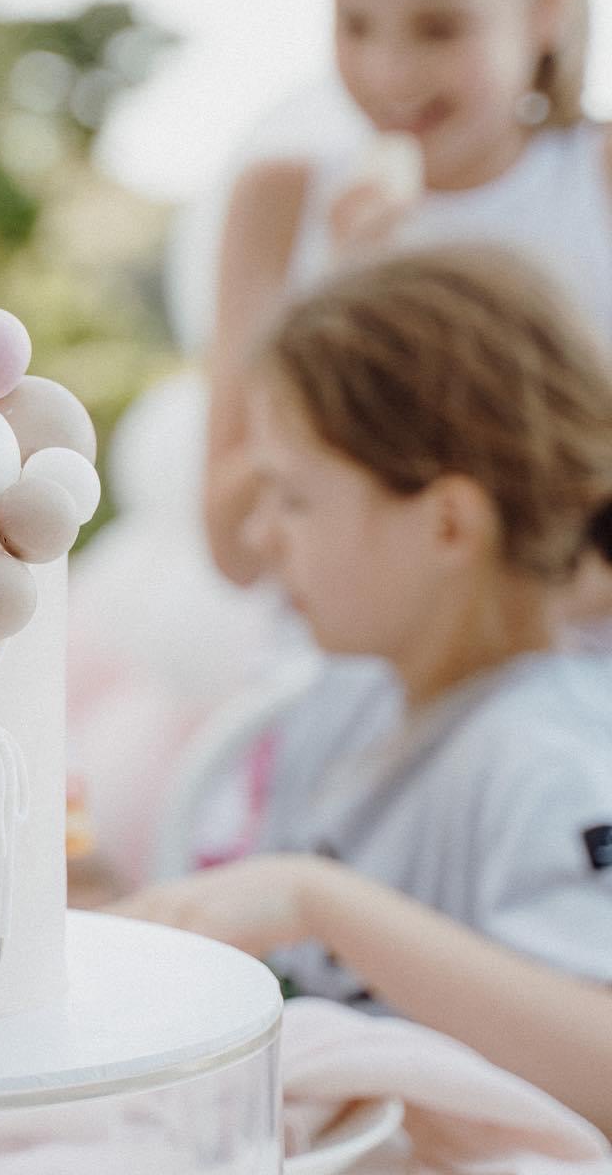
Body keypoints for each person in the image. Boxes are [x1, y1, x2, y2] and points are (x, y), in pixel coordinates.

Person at [118, 247, 612, 1132]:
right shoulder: (343, 703)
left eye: (293, 499)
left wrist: (324, 903)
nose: (263, 536)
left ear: (449, 523)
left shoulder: (553, 756)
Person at [206, 0, 609, 585]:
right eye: (356, 23)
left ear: (547, 4)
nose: (388, 74)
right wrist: (337, 311)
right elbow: (236, 546)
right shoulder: (280, 205)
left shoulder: (598, 182)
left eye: (439, 27)